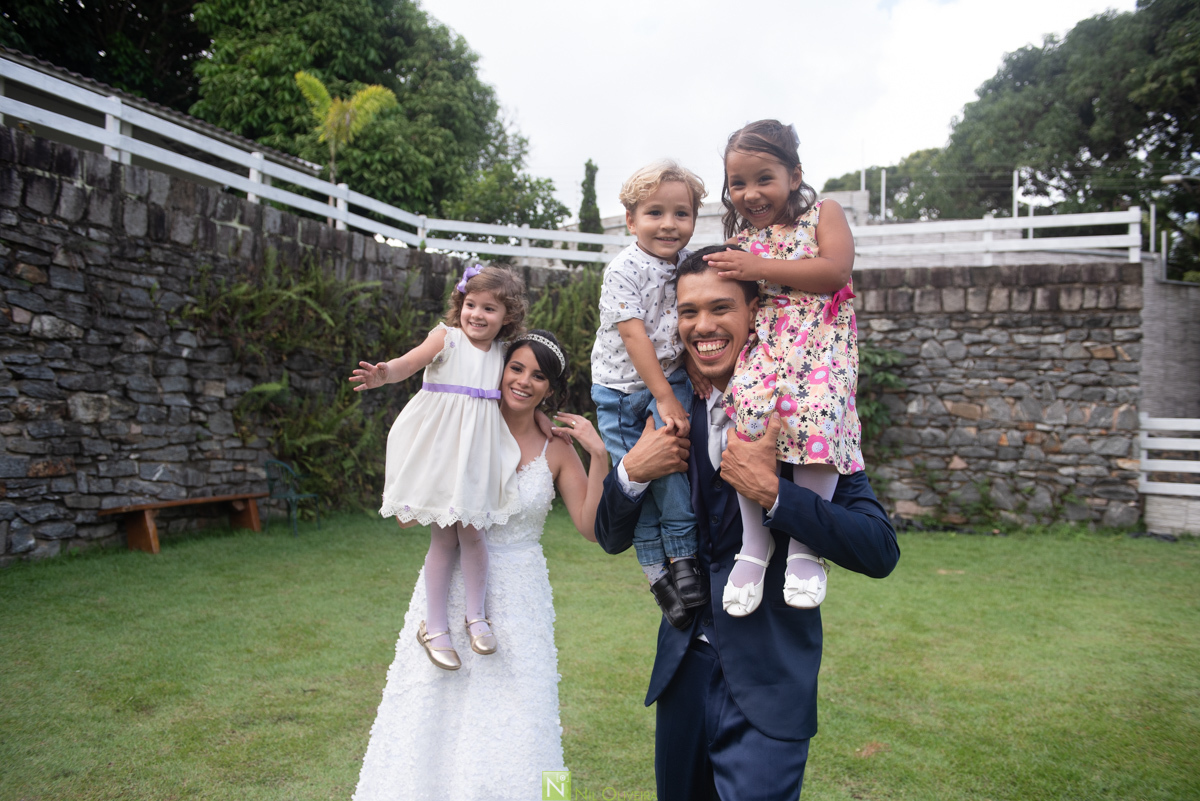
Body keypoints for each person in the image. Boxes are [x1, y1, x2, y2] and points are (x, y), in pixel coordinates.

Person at [593, 249, 899, 801]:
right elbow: (612, 535)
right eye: (688, 312)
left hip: (770, 684)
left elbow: (879, 549)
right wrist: (631, 473)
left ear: (755, 311)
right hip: (681, 678)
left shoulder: (807, 410)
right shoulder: (660, 407)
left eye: (720, 308)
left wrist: (775, 494)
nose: (702, 326)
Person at [354, 330, 610, 801]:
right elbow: (413, 517)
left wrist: (598, 456)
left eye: (538, 376)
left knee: (519, 710)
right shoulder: (464, 425)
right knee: (436, 703)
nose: (524, 382)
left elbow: (591, 528)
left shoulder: (557, 446)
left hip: (522, 594)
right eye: (516, 368)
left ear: (550, 388)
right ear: (500, 368)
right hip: (454, 588)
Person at [702, 119, 863, 617]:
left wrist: (758, 267)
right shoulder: (744, 237)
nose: (749, 193)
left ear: (795, 175)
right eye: (737, 183)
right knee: (744, 422)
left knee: (814, 417)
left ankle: (804, 547)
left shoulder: (823, 214)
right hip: (766, 348)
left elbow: (835, 271)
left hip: (820, 347)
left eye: (763, 178)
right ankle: (755, 545)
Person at [349, 264, 530, 670]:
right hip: (440, 452)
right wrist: (385, 375)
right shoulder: (445, 338)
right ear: (459, 305)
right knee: (444, 540)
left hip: (475, 459)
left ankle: (476, 617)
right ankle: (434, 626)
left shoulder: (503, 354)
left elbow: (521, 396)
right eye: (471, 305)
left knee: (474, 536)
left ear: (507, 317)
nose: (477, 315)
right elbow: (408, 364)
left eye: (490, 308)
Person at [589, 160, 710, 630]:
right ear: (630, 219)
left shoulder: (686, 265)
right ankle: (657, 574)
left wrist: (694, 368)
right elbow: (636, 336)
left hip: (671, 381)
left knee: (673, 478)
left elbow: (685, 325)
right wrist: (663, 396)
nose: (669, 224)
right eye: (655, 212)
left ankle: (682, 559)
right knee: (638, 485)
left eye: (681, 213)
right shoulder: (623, 269)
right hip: (623, 391)